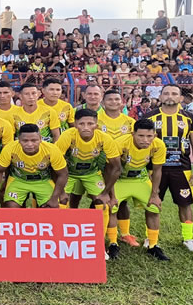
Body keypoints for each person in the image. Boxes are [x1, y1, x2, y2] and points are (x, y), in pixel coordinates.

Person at [147, 84, 193, 253]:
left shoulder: (189, 118)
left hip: (182, 168)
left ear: (180, 98)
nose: (169, 96)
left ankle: (188, 239)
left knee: (185, 204)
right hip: (155, 168)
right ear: (161, 96)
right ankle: (151, 239)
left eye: (174, 93)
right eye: (166, 93)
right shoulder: (149, 117)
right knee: (152, 203)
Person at [55, 109, 120, 243]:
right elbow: (55, 162)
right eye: (82, 124)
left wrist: (106, 193)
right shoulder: (68, 135)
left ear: (96, 124)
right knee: (61, 202)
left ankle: (99, 243)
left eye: (90, 124)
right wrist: (60, 191)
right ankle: (61, 239)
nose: (86, 127)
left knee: (102, 203)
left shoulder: (104, 138)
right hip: (69, 174)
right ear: (76, 124)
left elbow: (116, 167)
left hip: (91, 174)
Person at [107, 119, 168, 261]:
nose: (145, 140)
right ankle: (113, 243)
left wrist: (155, 194)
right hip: (120, 179)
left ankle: (153, 245)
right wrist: (112, 195)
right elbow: (110, 170)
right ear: (133, 133)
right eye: (141, 136)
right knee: (110, 207)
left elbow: (158, 171)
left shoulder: (158, 145)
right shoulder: (120, 143)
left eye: (149, 136)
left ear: (155, 135)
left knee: (154, 206)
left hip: (140, 179)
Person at [0, 123, 69, 208]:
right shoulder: (10, 148)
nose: (29, 144)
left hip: (43, 181)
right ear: (19, 140)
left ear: (40, 139)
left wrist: (55, 197)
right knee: (11, 207)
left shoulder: (52, 150)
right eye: (25, 141)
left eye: (34, 140)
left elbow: (63, 174)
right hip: (18, 180)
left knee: (51, 208)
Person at [98, 88, 138, 245]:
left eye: (117, 99)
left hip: (121, 167)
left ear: (122, 103)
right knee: (99, 200)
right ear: (103, 103)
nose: (114, 102)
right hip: (99, 166)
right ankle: (100, 233)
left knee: (122, 201)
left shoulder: (129, 122)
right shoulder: (96, 119)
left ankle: (125, 233)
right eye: (110, 100)